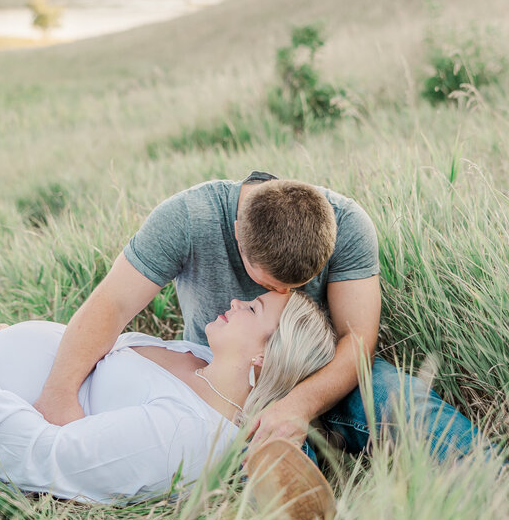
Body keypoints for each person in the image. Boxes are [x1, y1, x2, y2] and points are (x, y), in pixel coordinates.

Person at [27, 171, 484, 464]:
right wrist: (59, 393)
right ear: (237, 237)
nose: (284, 294)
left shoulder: (349, 223)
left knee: (393, 395)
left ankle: (498, 472)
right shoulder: (188, 218)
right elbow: (112, 305)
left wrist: (301, 403)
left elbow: (359, 337)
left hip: (324, 374)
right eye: (269, 285)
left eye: (297, 284)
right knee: (253, 440)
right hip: (229, 387)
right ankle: (302, 510)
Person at [0, 274, 336, 503]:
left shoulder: (188, 435)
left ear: (264, 357)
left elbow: (46, 458)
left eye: (254, 307)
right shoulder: (196, 358)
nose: (237, 301)